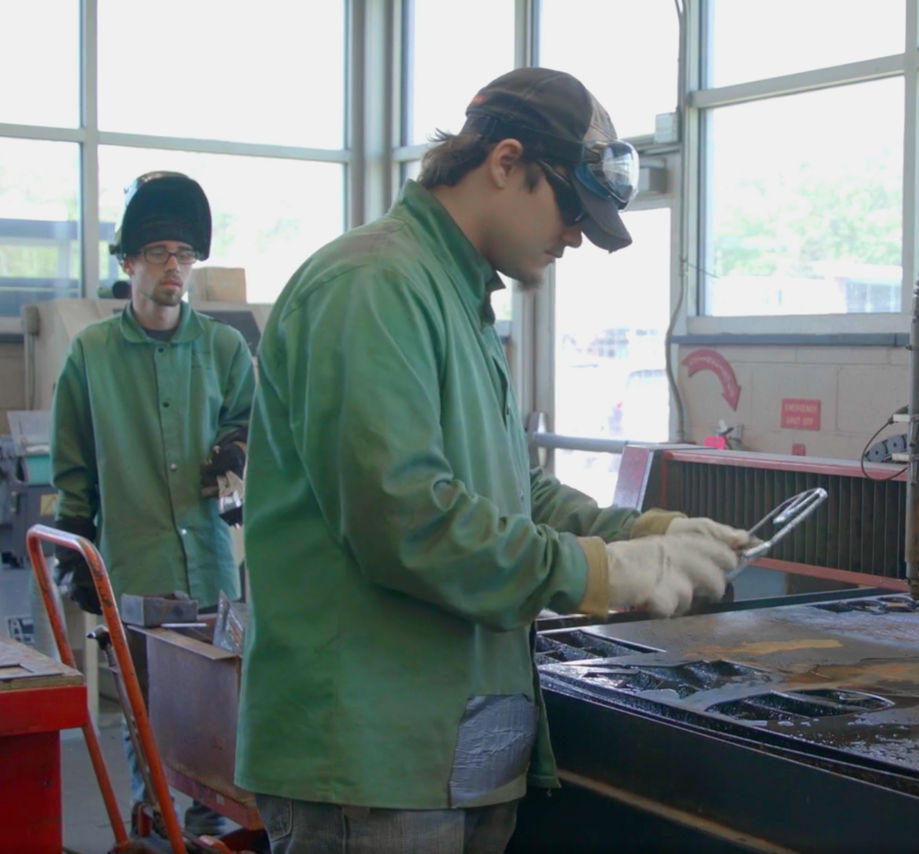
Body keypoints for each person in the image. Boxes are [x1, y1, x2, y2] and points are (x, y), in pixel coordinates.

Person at [234, 67, 754, 854]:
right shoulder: (374, 286)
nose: (576, 236)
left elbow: (513, 488)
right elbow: (408, 520)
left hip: (456, 745)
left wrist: (647, 531)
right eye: (569, 209)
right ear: (505, 162)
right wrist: (606, 573)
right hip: (370, 757)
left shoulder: (458, 296)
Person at [49, 170, 256, 835]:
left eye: (186, 255)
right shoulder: (92, 355)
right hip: (134, 572)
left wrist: (236, 448)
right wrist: (77, 546)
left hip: (210, 573)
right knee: (147, 724)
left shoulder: (223, 348)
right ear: (130, 263)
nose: (176, 268)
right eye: (162, 254)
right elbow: (73, 464)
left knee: (219, 722)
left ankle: (206, 827)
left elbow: (253, 424)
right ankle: (156, 829)